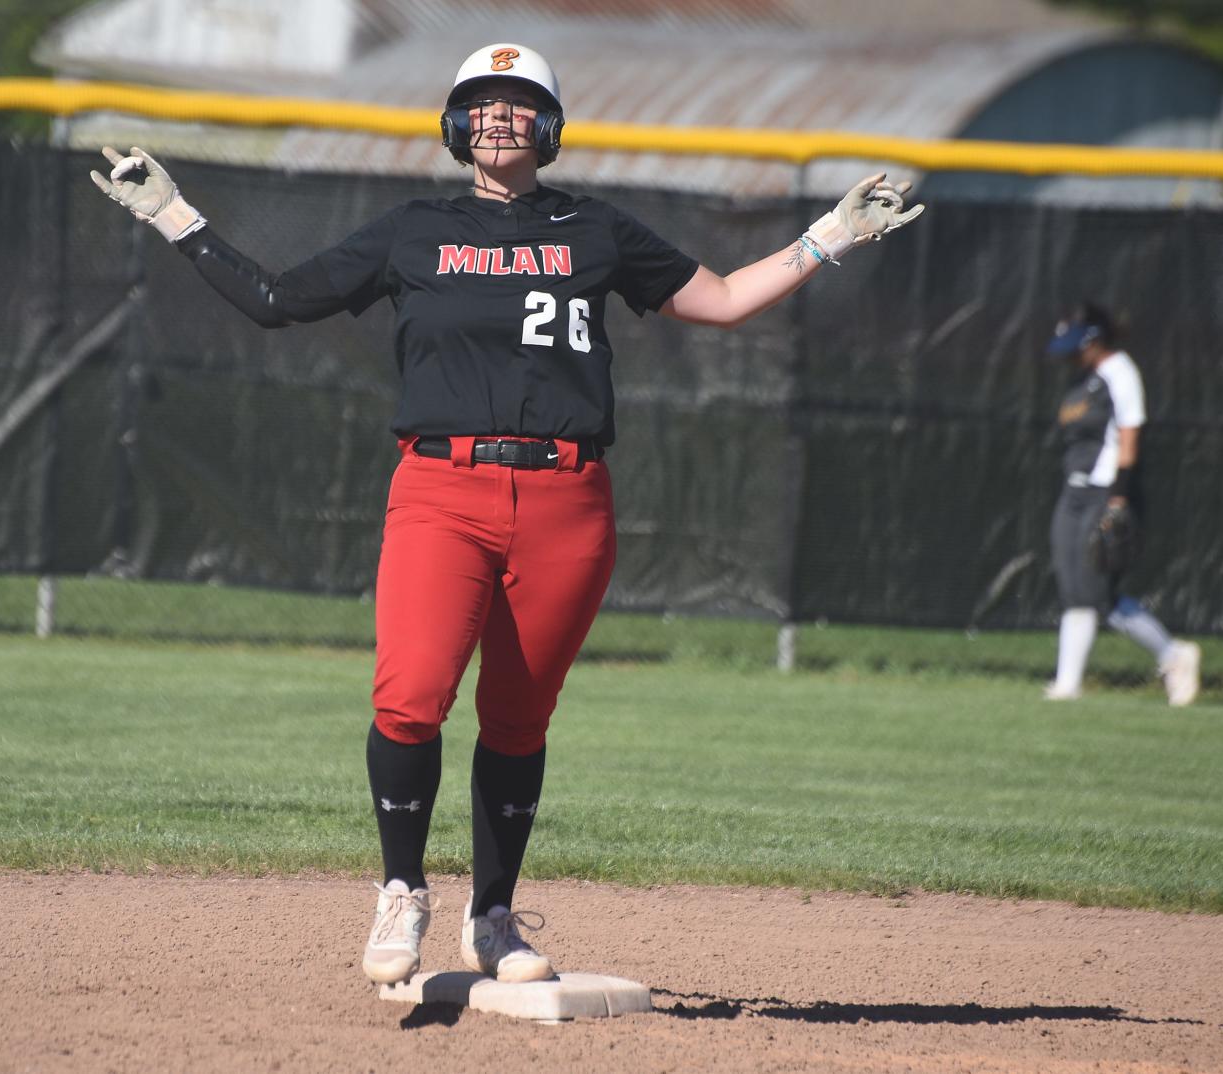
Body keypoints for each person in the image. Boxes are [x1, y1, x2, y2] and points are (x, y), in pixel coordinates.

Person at [91, 42, 924, 986]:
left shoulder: (595, 227)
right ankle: (401, 891)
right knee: (410, 697)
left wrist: (830, 236)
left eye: (517, 101)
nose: (496, 114)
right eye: (479, 101)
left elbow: (726, 301)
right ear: (455, 124)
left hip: (569, 501)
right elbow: (279, 301)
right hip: (443, 489)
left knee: (519, 720)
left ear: (548, 124)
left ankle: (492, 918)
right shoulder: (414, 229)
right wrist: (175, 216)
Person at [1043, 302, 1200, 706]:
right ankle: (1072, 683)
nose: (1073, 355)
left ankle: (1170, 655)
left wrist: (1118, 499)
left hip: (1104, 491)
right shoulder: (1084, 378)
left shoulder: (1121, 373)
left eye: (1079, 346)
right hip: (1073, 491)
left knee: (1095, 593)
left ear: (1095, 340)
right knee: (1077, 589)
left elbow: (1129, 438)